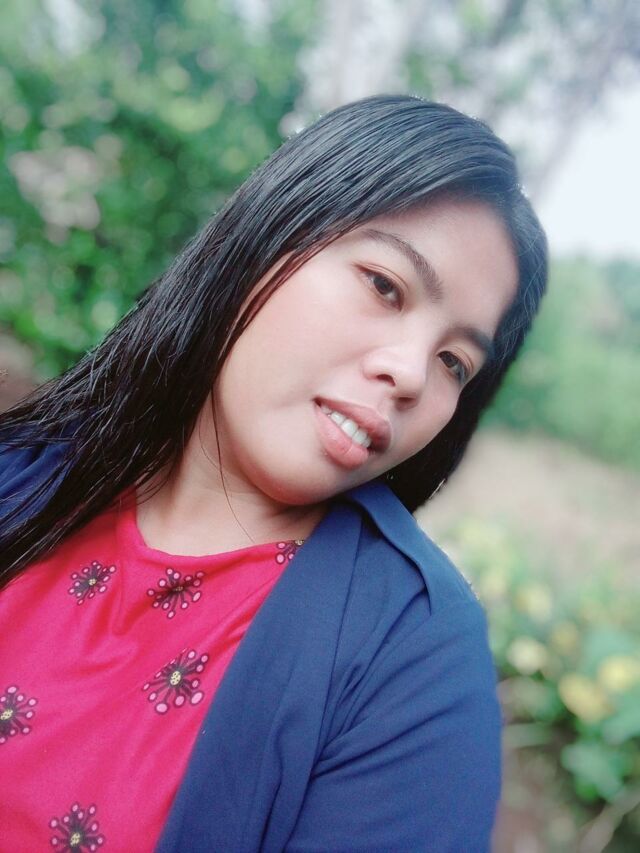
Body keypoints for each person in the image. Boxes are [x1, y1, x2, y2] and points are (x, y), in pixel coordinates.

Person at [0, 94, 547, 852]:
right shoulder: (30, 468)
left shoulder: (414, 659)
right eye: (385, 285)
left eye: (454, 361)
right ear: (267, 234)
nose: (411, 373)